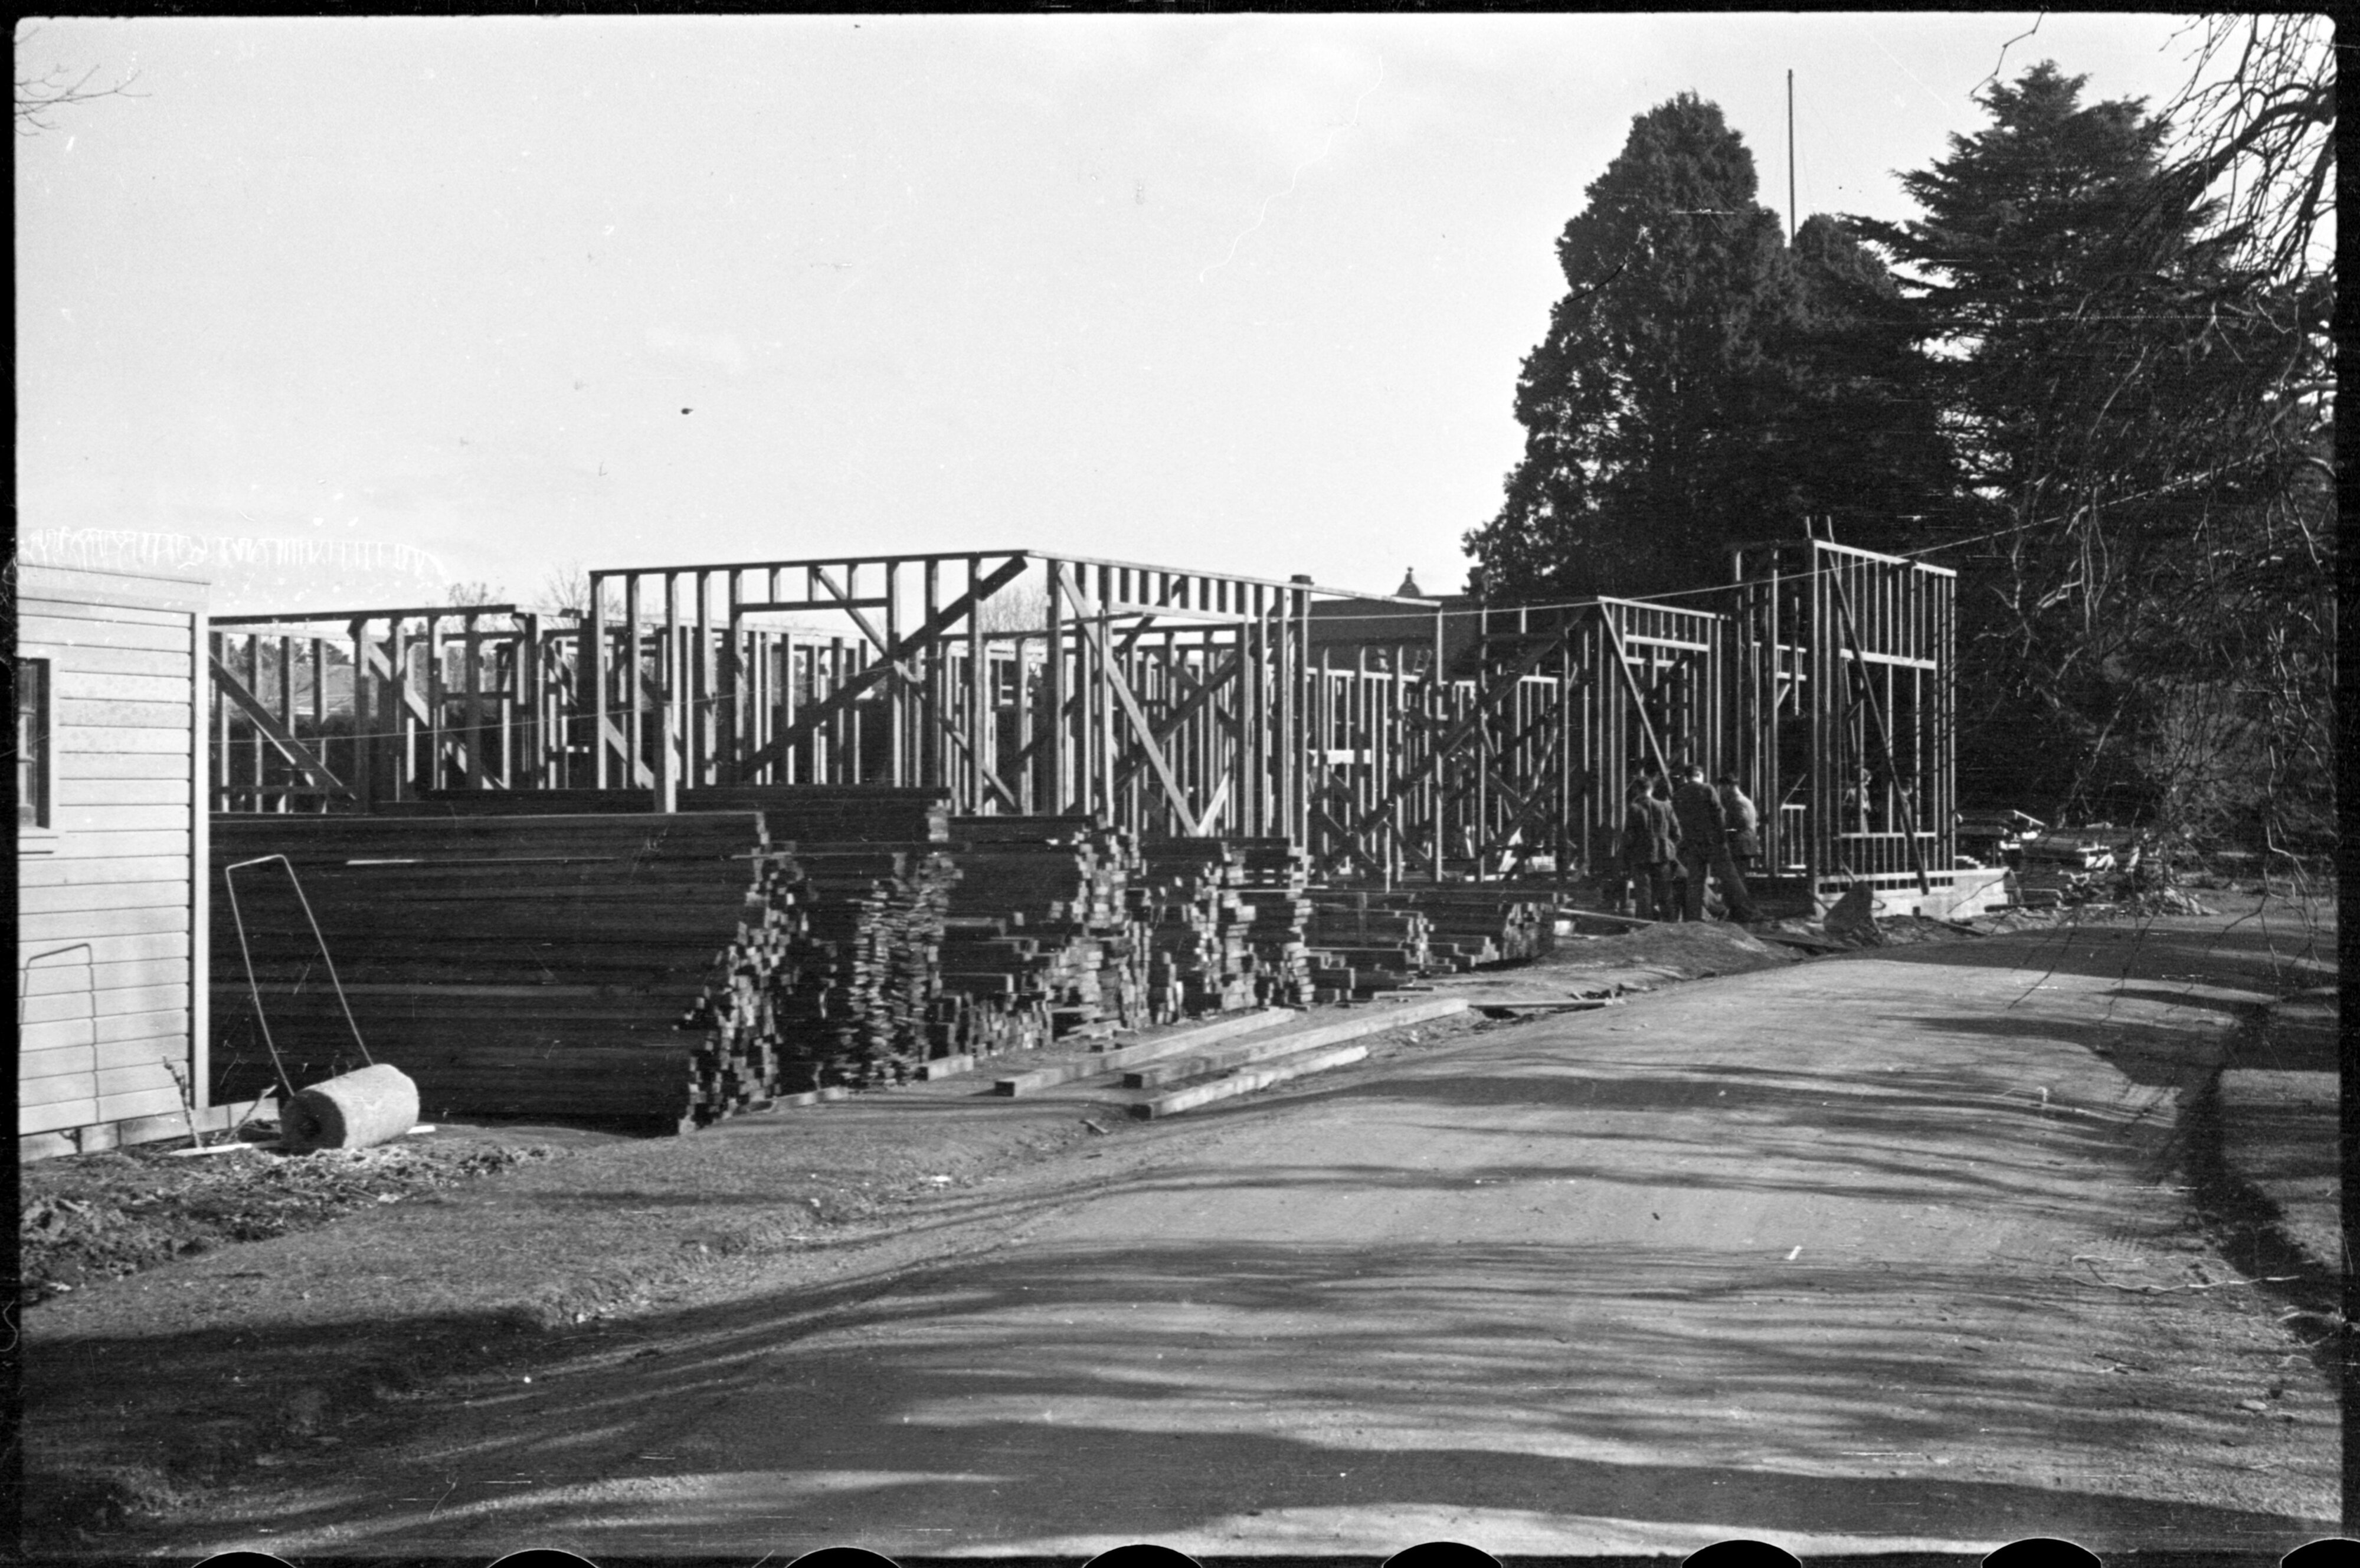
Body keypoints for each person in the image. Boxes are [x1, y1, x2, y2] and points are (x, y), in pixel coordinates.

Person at [1671, 763, 1758, 922]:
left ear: (1686, 777)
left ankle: (1693, 919)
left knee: (1695, 883)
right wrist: (1722, 840)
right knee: (1731, 879)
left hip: (1692, 844)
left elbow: (1678, 822)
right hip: (1713, 843)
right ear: (1700, 775)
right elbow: (1719, 816)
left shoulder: (1678, 795)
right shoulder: (1707, 789)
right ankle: (1748, 913)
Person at [1618, 775, 1680, 921]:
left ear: (1637, 790)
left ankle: (1644, 927)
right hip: (1664, 856)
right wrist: (1668, 847)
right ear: (1651, 789)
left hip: (1640, 857)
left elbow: (1629, 838)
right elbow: (1677, 834)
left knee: (1644, 896)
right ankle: (1671, 926)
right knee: (1666, 894)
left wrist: (1625, 859)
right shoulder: (1666, 806)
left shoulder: (1634, 808)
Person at [1716, 771, 1762, 873]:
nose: (1722, 791)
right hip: (1745, 845)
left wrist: (1724, 828)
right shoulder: (1745, 801)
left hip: (1740, 845)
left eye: (1722, 788)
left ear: (1728, 786)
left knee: (1737, 877)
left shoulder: (1738, 802)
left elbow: (1741, 821)